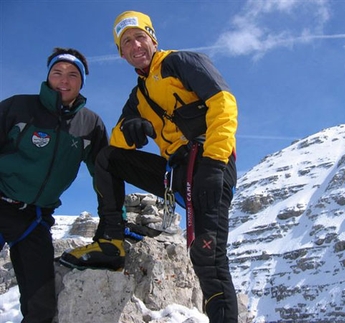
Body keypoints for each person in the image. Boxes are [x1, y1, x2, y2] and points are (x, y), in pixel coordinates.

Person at [59, 11, 239, 323]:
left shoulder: (180, 62)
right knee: (107, 158)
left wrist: (214, 162)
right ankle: (111, 240)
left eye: (139, 36)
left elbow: (223, 101)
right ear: (121, 53)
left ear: (152, 38)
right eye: (126, 42)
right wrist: (131, 129)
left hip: (210, 164)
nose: (135, 45)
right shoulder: (138, 95)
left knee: (206, 254)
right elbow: (117, 141)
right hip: (175, 174)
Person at [0, 47, 109, 322]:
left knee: (42, 309)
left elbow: (105, 175)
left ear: (81, 82)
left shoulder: (90, 124)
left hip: (34, 219)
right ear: (47, 76)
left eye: (73, 74)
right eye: (57, 72)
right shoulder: (18, 107)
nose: (64, 79)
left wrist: (115, 222)